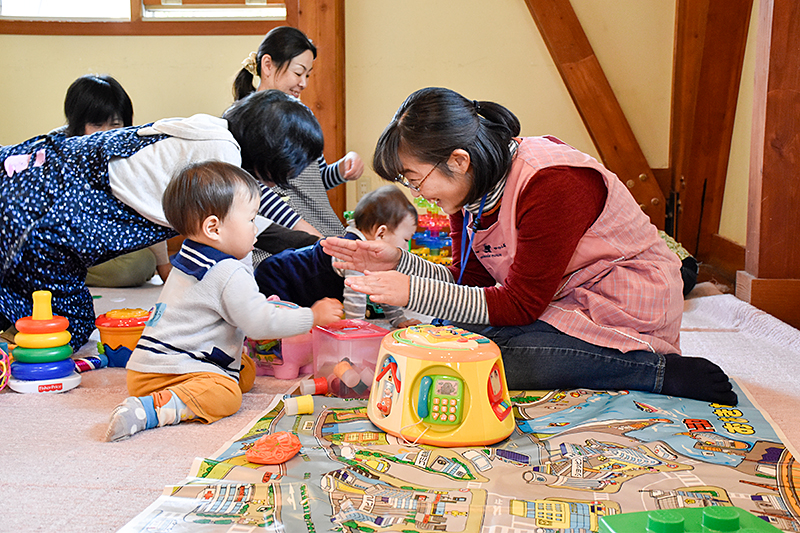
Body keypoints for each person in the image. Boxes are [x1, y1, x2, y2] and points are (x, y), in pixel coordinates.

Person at [321, 87, 737, 406]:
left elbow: (519, 306)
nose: (418, 194)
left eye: (415, 179)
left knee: (495, 357)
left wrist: (411, 291)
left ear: (459, 160)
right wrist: (400, 262)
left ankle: (655, 371)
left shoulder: (552, 182)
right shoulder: (472, 192)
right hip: (562, 299)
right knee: (450, 339)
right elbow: (472, 285)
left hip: (623, 302)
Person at [0, 89, 323, 350]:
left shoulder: (206, 134)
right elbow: (237, 240)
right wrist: (261, 310)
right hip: (36, 212)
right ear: (274, 156)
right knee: (66, 326)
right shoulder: (221, 155)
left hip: (27, 177)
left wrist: (316, 245)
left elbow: (253, 226)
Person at [105, 161, 343, 442]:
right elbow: (258, 323)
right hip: (170, 372)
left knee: (244, 371)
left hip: (150, 366)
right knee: (227, 396)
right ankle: (155, 408)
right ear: (214, 228)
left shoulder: (192, 258)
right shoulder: (226, 272)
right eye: (251, 219)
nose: (256, 229)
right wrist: (312, 317)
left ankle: (176, 391)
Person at [235, 26, 364, 239]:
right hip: (286, 245)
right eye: (298, 73)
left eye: (307, 75)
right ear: (267, 65)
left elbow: (316, 180)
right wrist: (307, 233)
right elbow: (253, 191)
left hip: (321, 235)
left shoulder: (301, 115)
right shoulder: (246, 122)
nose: (303, 83)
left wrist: (343, 168)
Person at [56, 74, 172, 287]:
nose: (108, 134)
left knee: (142, 260)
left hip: (108, 246)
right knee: (138, 265)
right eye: (97, 125)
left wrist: (164, 266)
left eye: (115, 125)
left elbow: (147, 211)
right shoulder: (60, 153)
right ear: (77, 124)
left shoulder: (129, 155)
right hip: (65, 247)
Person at [255, 185, 421, 328]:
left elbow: (381, 289)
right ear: (381, 233)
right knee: (286, 328)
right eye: (405, 239)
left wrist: (398, 319)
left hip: (297, 281)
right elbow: (354, 302)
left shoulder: (374, 255)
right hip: (280, 276)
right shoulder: (355, 253)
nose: (406, 247)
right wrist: (356, 328)